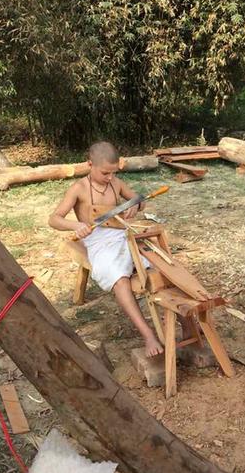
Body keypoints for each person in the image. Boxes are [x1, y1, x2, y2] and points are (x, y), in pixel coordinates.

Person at [49, 141, 163, 356]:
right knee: (120, 280)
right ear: (89, 164)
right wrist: (76, 225)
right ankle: (148, 335)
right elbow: (53, 219)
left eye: (113, 173)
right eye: (104, 173)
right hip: (98, 243)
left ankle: (188, 329)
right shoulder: (78, 189)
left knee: (159, 263)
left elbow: (139, 199)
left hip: (122, 234)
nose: (109, 178)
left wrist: (135, 206)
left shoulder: (116, 183)